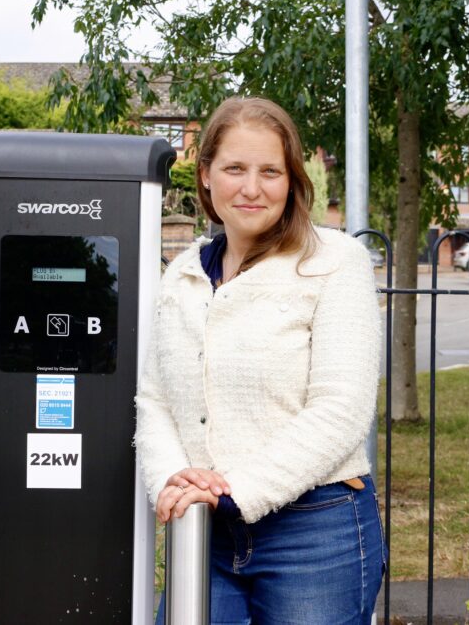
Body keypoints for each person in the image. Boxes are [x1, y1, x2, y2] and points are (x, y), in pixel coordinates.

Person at [135, 97, 384, 624]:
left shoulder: (336, 262)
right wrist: (174, 483)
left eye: (270, 171)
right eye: (234, 169)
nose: (252, 188)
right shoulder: (182, 273)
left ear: (292, 179)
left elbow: (340, 410)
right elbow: (155, 397)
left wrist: (233, 494)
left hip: (315, 532)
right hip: (204, 532)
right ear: (205, 176)